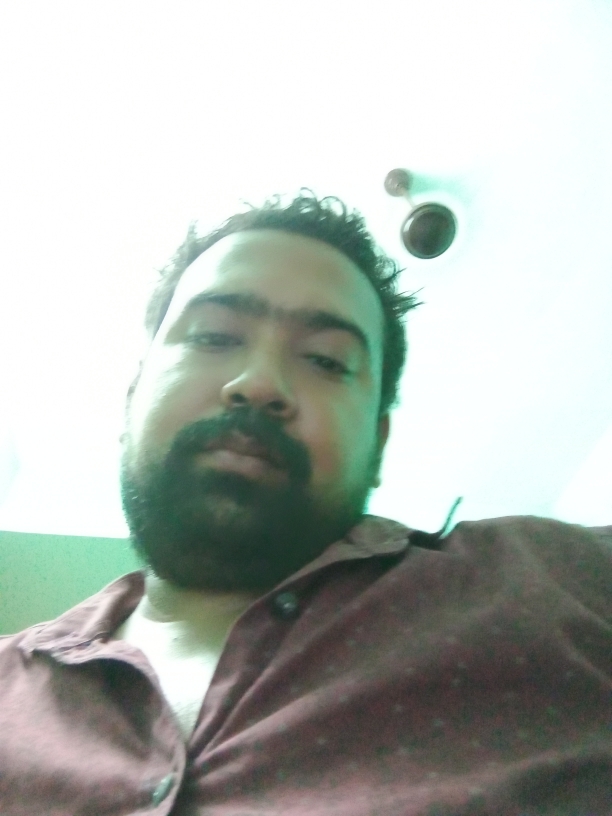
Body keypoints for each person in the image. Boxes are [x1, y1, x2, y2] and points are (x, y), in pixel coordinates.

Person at [0, 190, 610, 816]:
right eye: (214, 336)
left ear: (377, 443)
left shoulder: (555, 580)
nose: (259, 383)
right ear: (133, 396)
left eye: (325, 360)